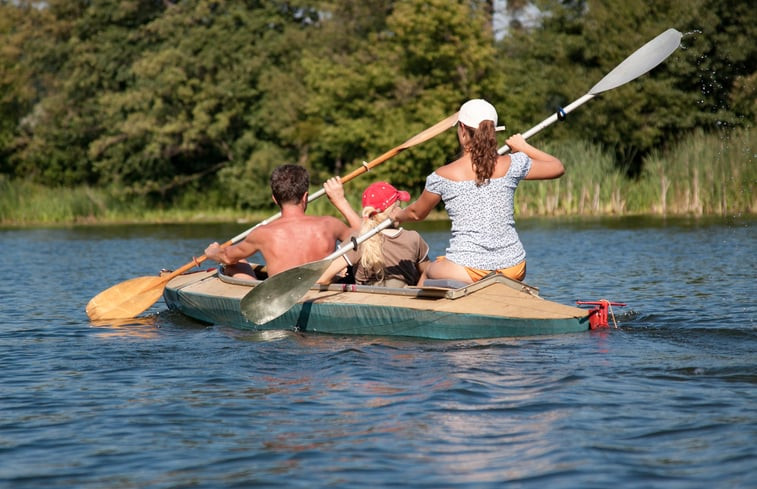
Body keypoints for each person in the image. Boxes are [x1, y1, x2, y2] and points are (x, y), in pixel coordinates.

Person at [390, 98, 564, 285]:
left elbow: (417, 213)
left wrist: (398, 215)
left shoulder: (442, 176)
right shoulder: (513, 164)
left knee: (428, 270)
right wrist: (524, 148)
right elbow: (557, 167)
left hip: (467, 269)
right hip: (513, 267)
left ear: (463, 130)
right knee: (442, 265)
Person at [204, 165, 361, 279]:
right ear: (305, 197)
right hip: (321, 290)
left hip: (281, 298)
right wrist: (340, 200)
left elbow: (228, 258)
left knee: (237, 263)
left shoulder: (262, 234)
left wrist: (214, 252)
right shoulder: (330, 224)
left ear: (274, 199)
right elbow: (365, 235)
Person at [318, 181, 431, 287]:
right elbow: (428, 272)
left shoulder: (358, 241)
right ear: (395, 211)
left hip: (366, 303)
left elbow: (322, 279)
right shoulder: (413, 238)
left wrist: (337, 280)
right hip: (402, 301)